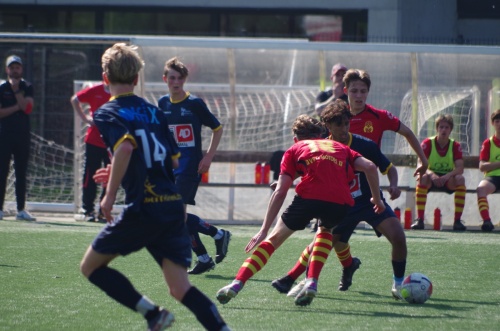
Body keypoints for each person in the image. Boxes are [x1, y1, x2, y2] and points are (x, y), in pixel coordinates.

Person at [79, 43, 230, 331]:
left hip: (143, 208)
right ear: (137, 79)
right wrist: (125, 169)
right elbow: (171, 163)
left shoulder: (107, 112)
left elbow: (124, 148)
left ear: (105, 77)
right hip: (171, 204)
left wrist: (109, 196)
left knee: (90, 267)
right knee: (180, 287)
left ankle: (152, 314)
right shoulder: (154, 111)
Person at [216, 114, 385, 307]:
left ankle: (237, 284)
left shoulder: (295, 148)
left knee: (274, 239)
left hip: (309, 197)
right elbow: (371, 167)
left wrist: (263, 229)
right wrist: (377, 200)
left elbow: (280, 192)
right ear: (322, 134)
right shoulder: (342, 148)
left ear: (296, 138)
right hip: (341, 201)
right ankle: (312, 281)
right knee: (325, 231)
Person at [271, 99, 408, 300]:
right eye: (338, 125)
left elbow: (387, 168)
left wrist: (392, 185)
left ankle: (398, 284)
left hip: (368, 202)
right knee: (321, 245)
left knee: (398, 236)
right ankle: (293, 278)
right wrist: (284, 182)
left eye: (346, 123)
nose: (344, 129)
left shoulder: (365, 145)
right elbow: (306, 169)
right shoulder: (319, 145)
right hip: (340, 204)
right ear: (328, 126)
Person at [158, 56, 231, 275]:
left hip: (190, 167)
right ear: (165, 79)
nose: (176, 82)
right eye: (172, 78)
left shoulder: (195, 104)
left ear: (185, 79)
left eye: (180, 78)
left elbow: (217, 128)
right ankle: (212, 245)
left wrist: (208, 156)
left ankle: (210, 245)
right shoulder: (162, 103)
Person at [411, 114, 467, 231]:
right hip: (431, 178)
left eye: (446, 127)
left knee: (460, 179)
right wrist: (432, 174)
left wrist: (446, 176)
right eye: (441, 127)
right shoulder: (427, 143)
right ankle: (419, 220)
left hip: (447, 179)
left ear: (450, 130)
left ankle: (457, 221)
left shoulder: (455, 145)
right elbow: (420, 164)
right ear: (437, 129)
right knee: (422, 177)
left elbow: (460, 168)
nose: (443, 130)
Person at [0, 55, 36, 221]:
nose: (15, 70)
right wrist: (17, 107)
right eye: (12, 67)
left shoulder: (27, 86)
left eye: (17, 67)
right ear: (7, 69)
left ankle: (21, 209)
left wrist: (15, 91)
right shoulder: (1, 87)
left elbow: (27, 108)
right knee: (2, 171)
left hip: (22, 136)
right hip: (4, 135)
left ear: (21, 69)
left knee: (21, 172)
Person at [70, 82, 111, 223]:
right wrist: (86, 119)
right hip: (93, 140)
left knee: (110, 176)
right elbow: (75, 100)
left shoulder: (119, 91)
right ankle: (88, 210)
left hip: (112, 142)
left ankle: (104, 211)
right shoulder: (95, 90)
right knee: (90, 174)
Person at [476, 108, 500, 232]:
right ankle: (487, 221)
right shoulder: (488, 143)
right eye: (497, 121)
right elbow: (482, 166)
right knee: (481, 189)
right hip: (493, 177)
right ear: (493, 123)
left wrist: (492, 164)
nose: (499, 124)